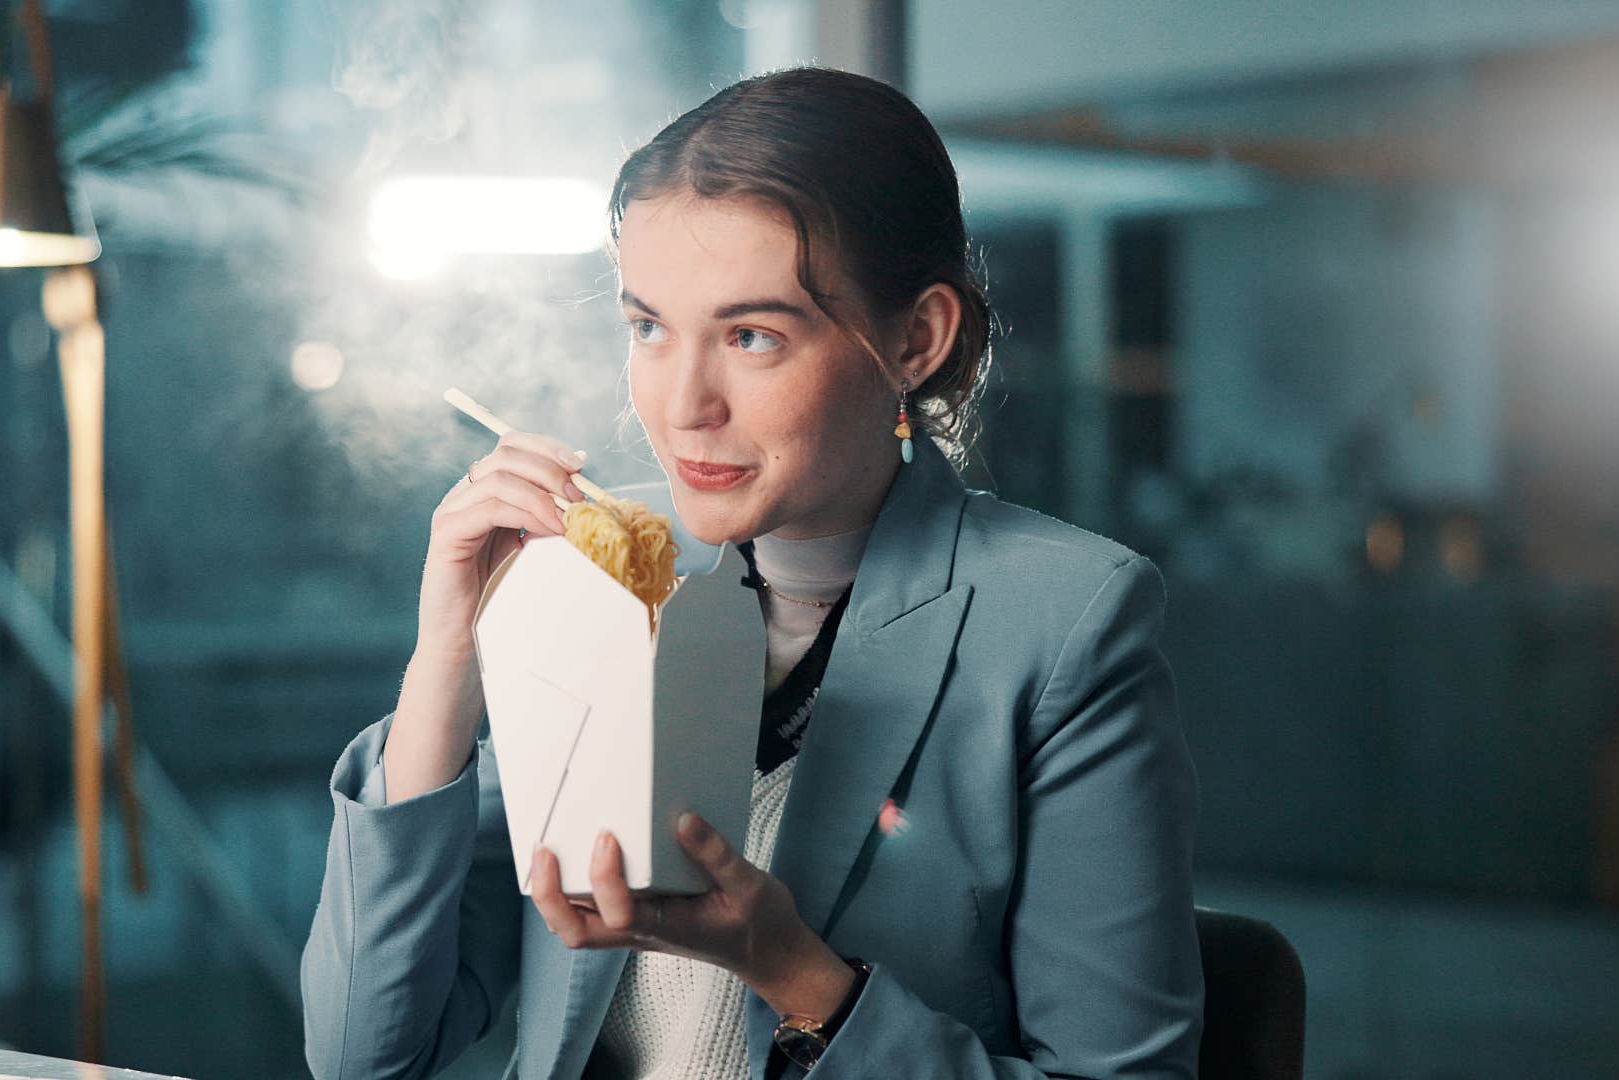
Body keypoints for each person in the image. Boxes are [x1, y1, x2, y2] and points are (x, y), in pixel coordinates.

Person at [302, 67, 1203, 1079]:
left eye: (752, 336)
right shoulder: (595, 577)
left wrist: (793, 972)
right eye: (648, 326)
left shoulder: (1065, 622)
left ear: (916, 339)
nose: (683, 403)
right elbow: (365, 1055)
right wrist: (447, 661)